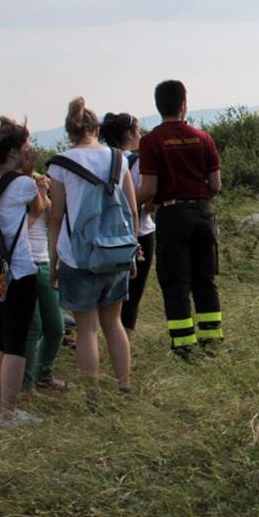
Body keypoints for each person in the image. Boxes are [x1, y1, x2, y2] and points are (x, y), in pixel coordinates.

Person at [46, 98, 135, 398]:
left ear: (70, 132)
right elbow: (132, 211)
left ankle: (92, 396)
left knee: (86, 330)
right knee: (114, 323)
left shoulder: (59, 165)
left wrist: (54, 261)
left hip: (77, 256)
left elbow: (56, 217)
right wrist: (133, 253)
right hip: (116, 252)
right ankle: (124, 387)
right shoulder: (118, 158)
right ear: (97, 129)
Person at [135, 80, 224, 358]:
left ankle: (185, 346)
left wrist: (130, 205)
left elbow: (148, 188)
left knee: (176, 283)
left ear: (158, 106)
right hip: (202, 214)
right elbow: (215, 184)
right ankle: (212, 341)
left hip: (172, 216)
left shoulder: (151, 142)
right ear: (184, 104)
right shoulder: (204, 137)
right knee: (205, 279)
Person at [0, 118, 41, 425]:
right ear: (14, 152)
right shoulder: (22, 184)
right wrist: (27, 172)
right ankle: (10, 413)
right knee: (16, 343)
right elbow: (41, 208)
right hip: (18, 272)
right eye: (25, 146)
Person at [100, 112, 156, 337]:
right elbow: (149, 199)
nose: (141, 135)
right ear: (129, 134)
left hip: (107, 233)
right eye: (139, 131)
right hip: (140, 232)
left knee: (109, 292)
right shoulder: (137, 161)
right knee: (132, 294)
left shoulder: (103, 159)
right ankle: (125, 341)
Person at [19, 145, 69, 393]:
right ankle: (27, 387)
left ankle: (44, 374)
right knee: (33, 327)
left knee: (56, 327)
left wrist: (44, 191)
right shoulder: (12, 185)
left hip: (44, 261)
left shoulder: (33, 181)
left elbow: (52, 213)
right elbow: (28, 218)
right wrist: (38, 193)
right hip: (25, 263)